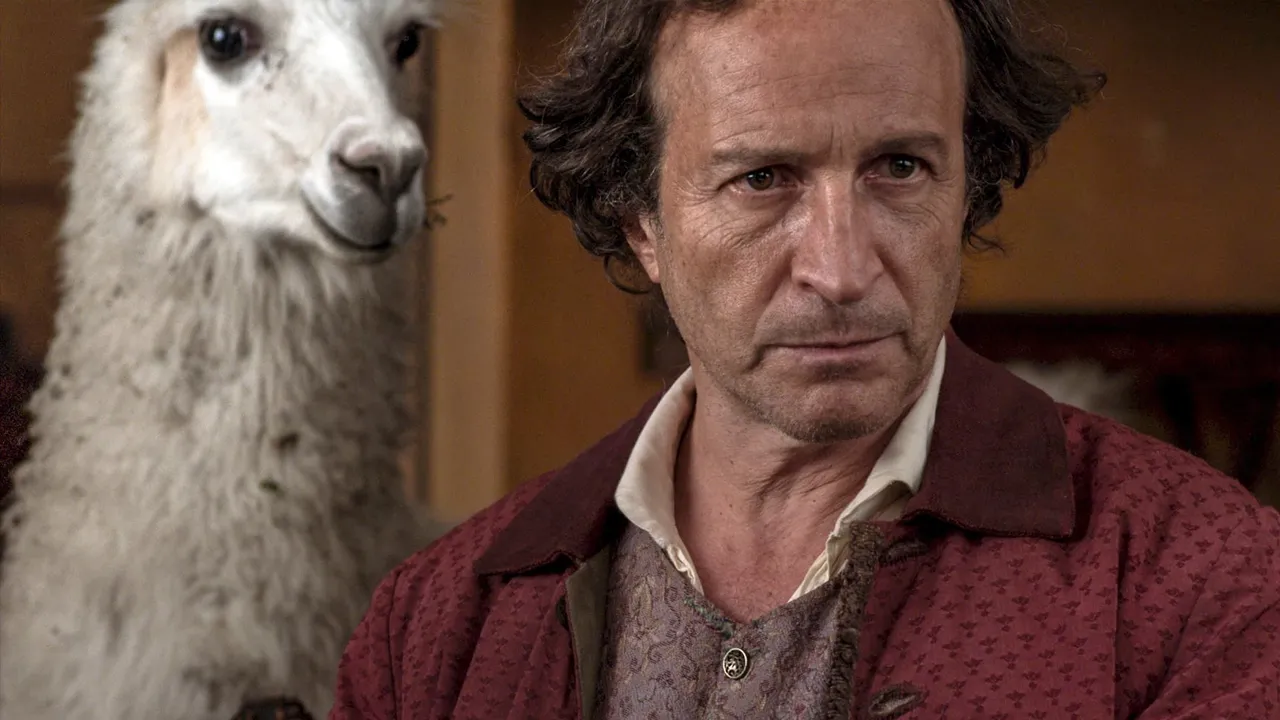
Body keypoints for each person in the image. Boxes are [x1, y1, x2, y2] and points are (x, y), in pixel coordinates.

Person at [329, 0, 1280, 717]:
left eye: (900, 168)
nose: (841, 269)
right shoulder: (437, 630)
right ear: (640, 222)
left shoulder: (1198, 582)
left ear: (968, 184)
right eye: (762, 179)